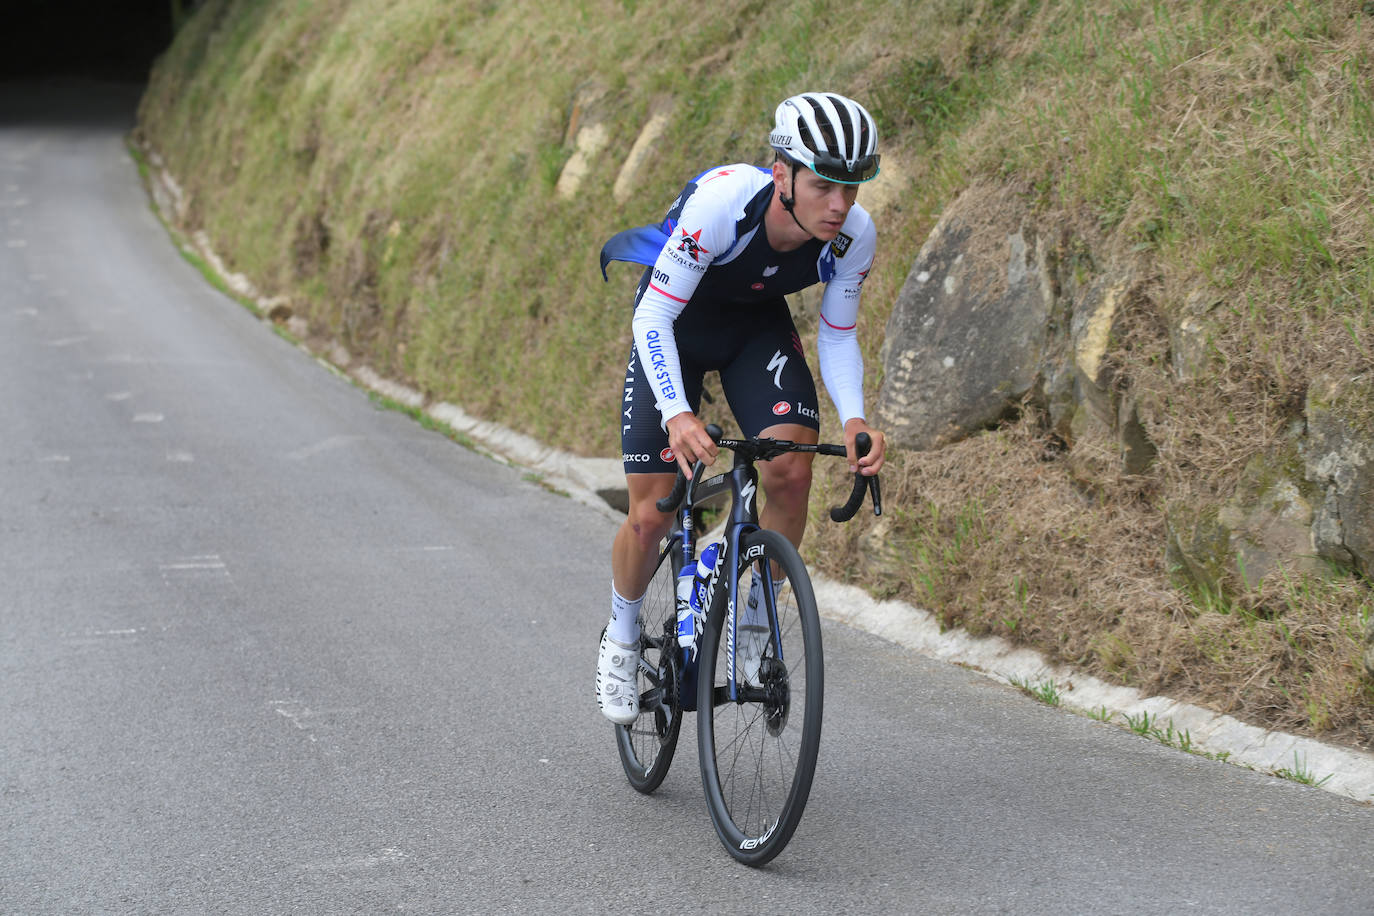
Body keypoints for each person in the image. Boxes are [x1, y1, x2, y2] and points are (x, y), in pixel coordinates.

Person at [595, 91, 888, 724]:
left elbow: (838, 335)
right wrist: (677, 412)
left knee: (790, 469)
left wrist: (856, 419)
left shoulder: (851, 237)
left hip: (753, 329)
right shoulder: (724, 202)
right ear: (782, 174)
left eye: (853, 187)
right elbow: (654, 312)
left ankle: (752, 622)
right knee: (651, 513)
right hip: (676, 322)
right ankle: (620, 636)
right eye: (824, 185)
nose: (840, 204)